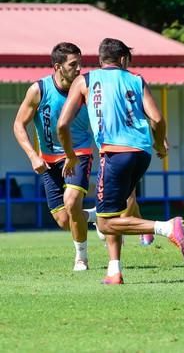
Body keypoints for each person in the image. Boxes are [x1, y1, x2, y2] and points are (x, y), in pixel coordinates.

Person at [58, 38, 184, 285]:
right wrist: (158, 142)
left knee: (105, 223)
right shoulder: (136, 79)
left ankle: (167, 227)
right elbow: (158, 119)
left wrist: (70, 155)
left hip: (115, 155)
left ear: (100, 59)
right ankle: (114, 270)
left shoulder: (84, 80)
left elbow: (62, 125)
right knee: (115, 213)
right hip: (141, 154)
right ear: (122, 59)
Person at [13, 42, 97, 271]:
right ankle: (97, 217)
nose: (79, 68)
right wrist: (32, 156)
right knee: (63, 220)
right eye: (73, 64)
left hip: (78, 153)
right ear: (58, 66)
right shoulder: (38, 90)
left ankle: (81, 258)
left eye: (81, 63)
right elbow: (19, 125)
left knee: (71, 202)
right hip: (48, 161)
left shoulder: (86, 87)